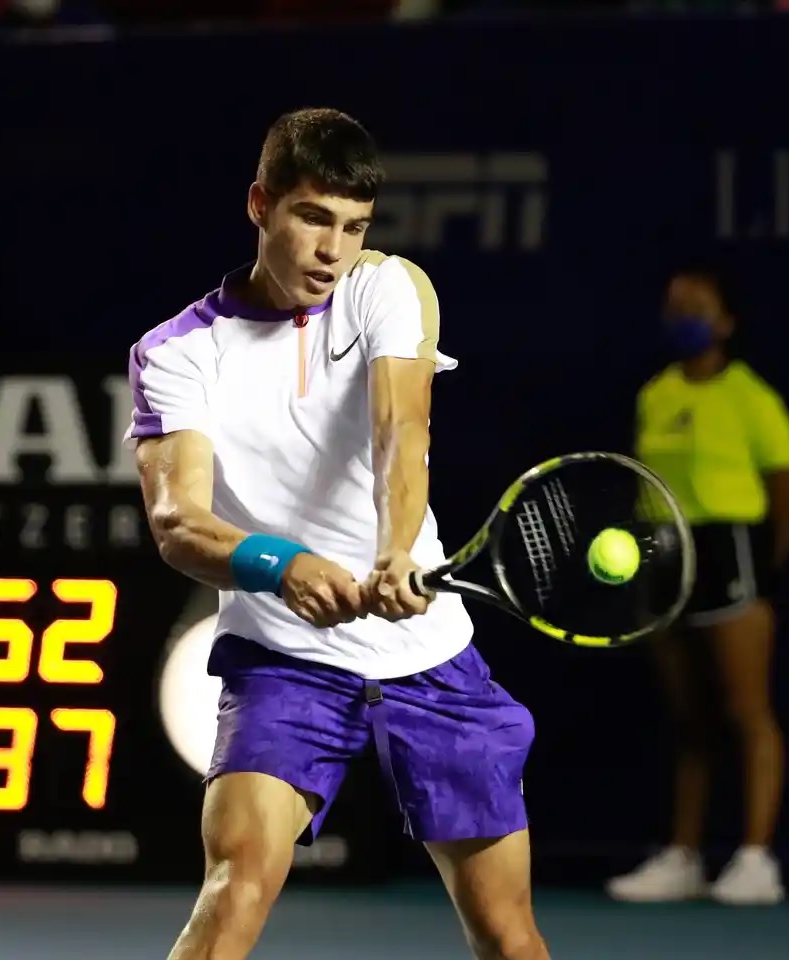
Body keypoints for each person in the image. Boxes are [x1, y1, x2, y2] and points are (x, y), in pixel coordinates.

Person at [127, 107, 548, 960]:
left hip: (429, 658)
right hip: (283, 661)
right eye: (313, 218)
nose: (333, 249)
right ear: (261, 204)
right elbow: (177, 524)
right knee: (236, 884)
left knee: (507, 933)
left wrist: (396, 549)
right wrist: (280, 566)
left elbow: (402, 431)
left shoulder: (386, 288)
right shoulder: (176, 353)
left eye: (354, 226)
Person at [606, 267, 789, 906]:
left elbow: (785, 485)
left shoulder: (752, 397)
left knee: (747, 711)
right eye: (675, 307)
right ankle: (683, 857)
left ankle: (756, 858)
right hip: (666, 553)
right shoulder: (655, 394)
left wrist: (767, 567)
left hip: (730, 551)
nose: (683, 316)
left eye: (697, 306)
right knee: (688, 717)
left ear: (726, 322)